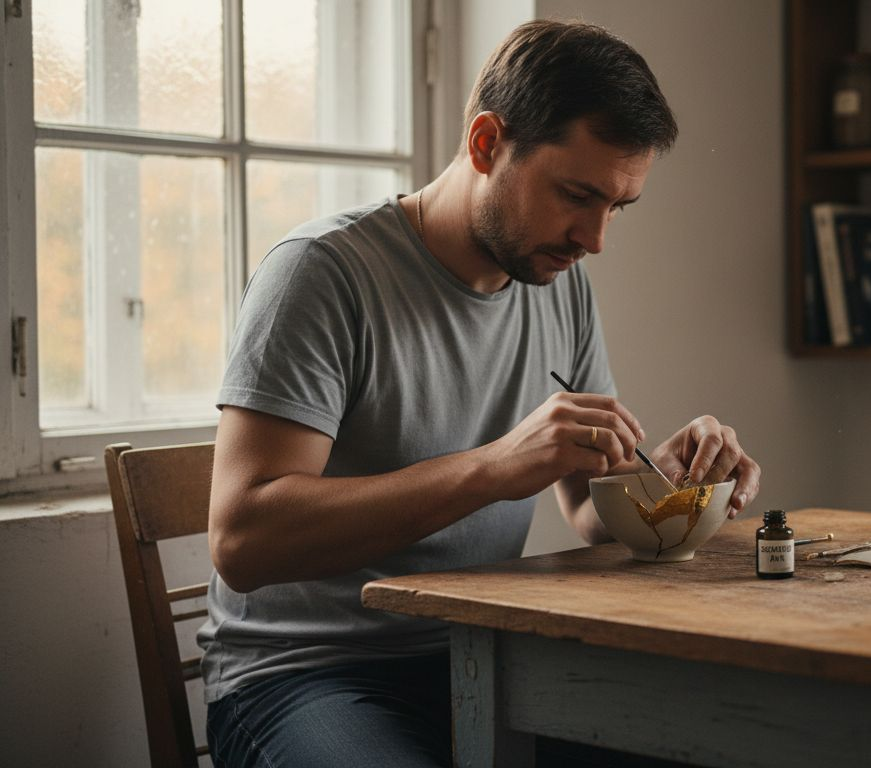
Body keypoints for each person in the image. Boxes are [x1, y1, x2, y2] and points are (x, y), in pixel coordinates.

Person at [200, 19, 761, 767]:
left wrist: (669, 484)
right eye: (576, 195)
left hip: (491, 657)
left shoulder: (558, 284)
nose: (594, 238)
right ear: (487, 143)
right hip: (306, 678)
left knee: (724, 742)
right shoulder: (321, 274)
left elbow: (590, 512)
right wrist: (494, 467)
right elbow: (241, 541)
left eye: (616, 208)